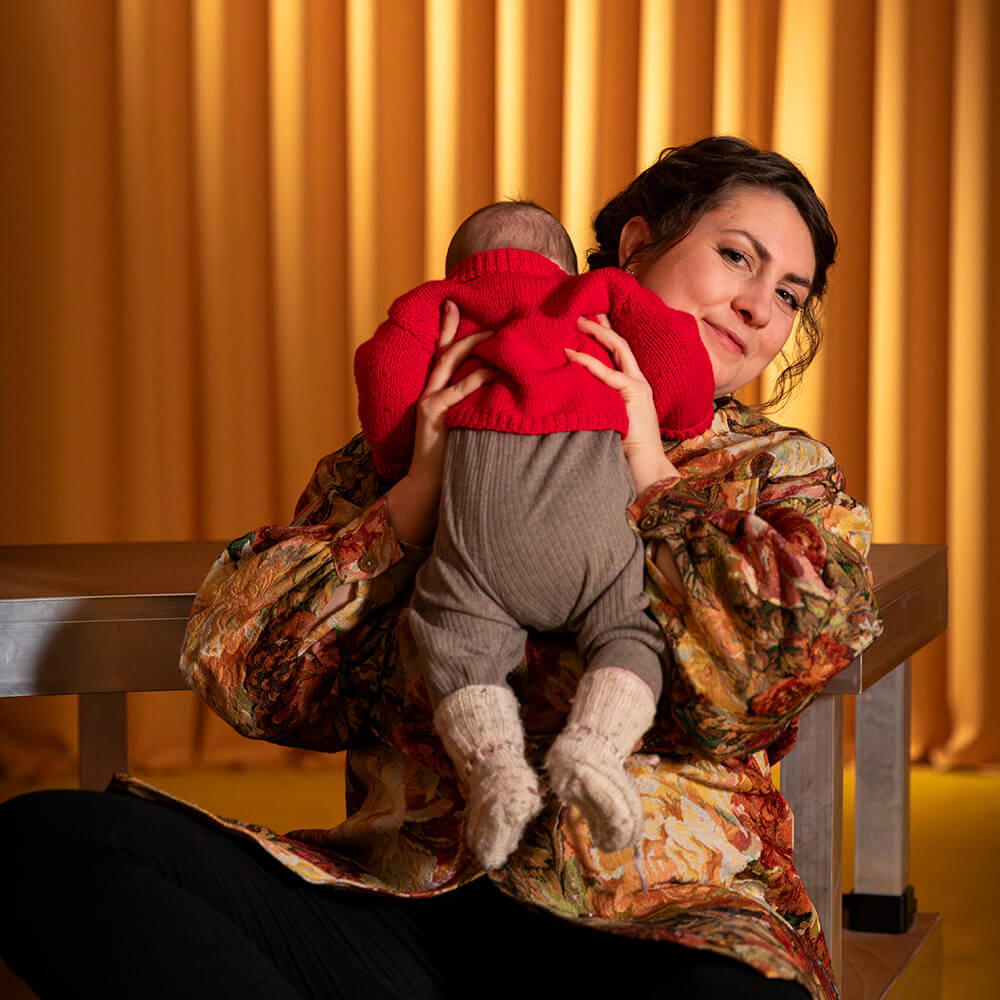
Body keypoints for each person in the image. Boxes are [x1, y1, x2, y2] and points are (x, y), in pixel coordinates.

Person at [0, 136, 882, 1000]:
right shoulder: (421, 431)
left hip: (659, 920)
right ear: (637, 245)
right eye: (737, 257)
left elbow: (752, 685)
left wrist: (654, 475)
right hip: (408, 908)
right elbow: (252, 677)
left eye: (789, 294)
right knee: (48, 845)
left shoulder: (778, 473)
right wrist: (416, 496)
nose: (758, 307)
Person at [354, 199, 715, 870]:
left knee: (452, 631)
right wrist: (677, 419)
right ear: (566, 266)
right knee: (632, 629)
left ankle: (495, 767)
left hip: (479, 530)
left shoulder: (439, 302)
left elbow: (385, 376)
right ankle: (596, 747)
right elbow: (675, 355)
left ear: (459, 268)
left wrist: (404, 456)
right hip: (594, 525)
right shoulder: (599, 292)